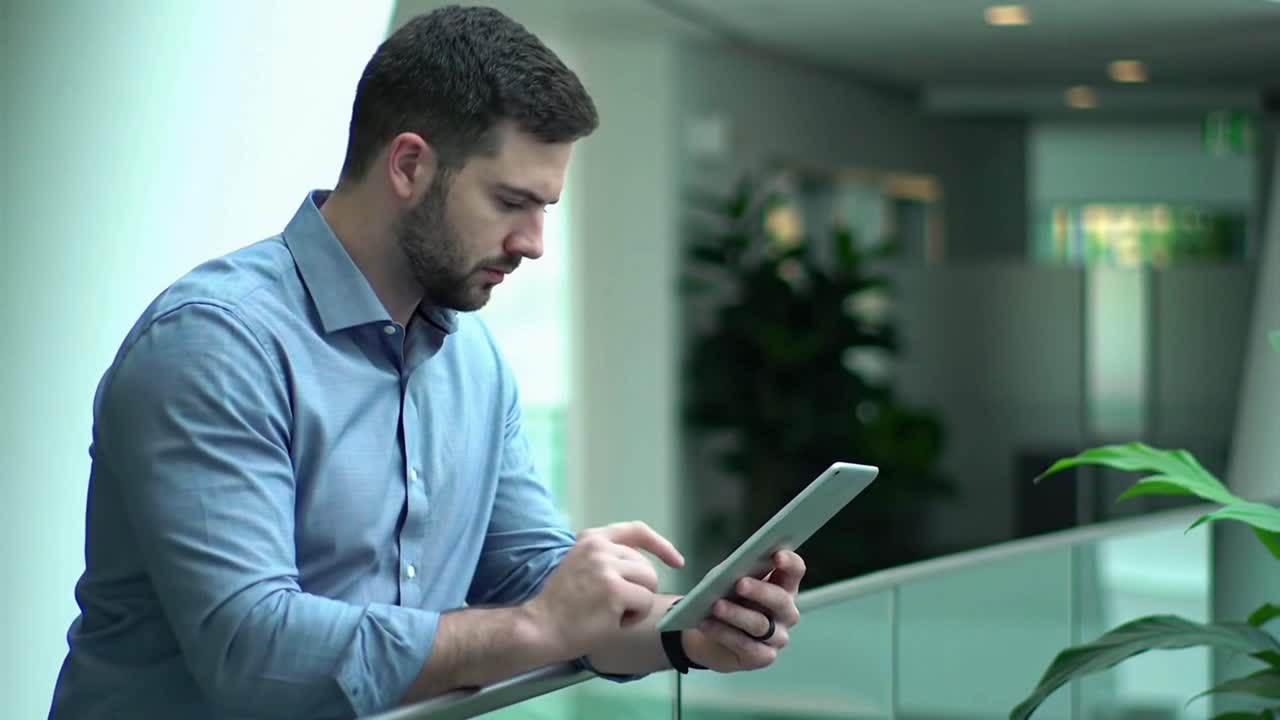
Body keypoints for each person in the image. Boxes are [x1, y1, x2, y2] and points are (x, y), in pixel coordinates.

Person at [48, 5, 805, 719]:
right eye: (512, 201)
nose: (534, 242)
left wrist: (688, 630)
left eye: (546, 208)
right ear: (409, 165)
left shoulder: (473, 362)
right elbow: (253, 652)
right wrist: (536, 626)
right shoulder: (215, 343)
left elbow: (533, 581)